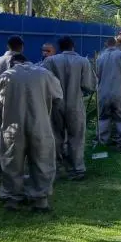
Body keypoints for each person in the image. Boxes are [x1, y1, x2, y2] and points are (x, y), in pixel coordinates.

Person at [0, 53, 63, 211]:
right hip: (40, 124)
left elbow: (0, 102)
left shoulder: (7, 76)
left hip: (13, 126)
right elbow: (58, 97)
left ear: (12, 64)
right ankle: (40, 200)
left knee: (12, 161)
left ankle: (13, 198)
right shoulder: (45, 74)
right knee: (42, 160)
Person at [43, 36, 97, 181]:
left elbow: (44, 82)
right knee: (76, 137)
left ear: (59, 47)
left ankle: (55, 167)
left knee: (55, 136)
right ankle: (77, 169)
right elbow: (88, 85)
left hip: (55, 104)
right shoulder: (83, 61)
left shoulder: (50, 61)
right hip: (75, 104)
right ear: (73, 46)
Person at [0, 35, 24, 169]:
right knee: (17, 133)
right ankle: (13, 162)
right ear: (21, 47)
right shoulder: (24, 63)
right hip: (18, 104)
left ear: (8, 46)